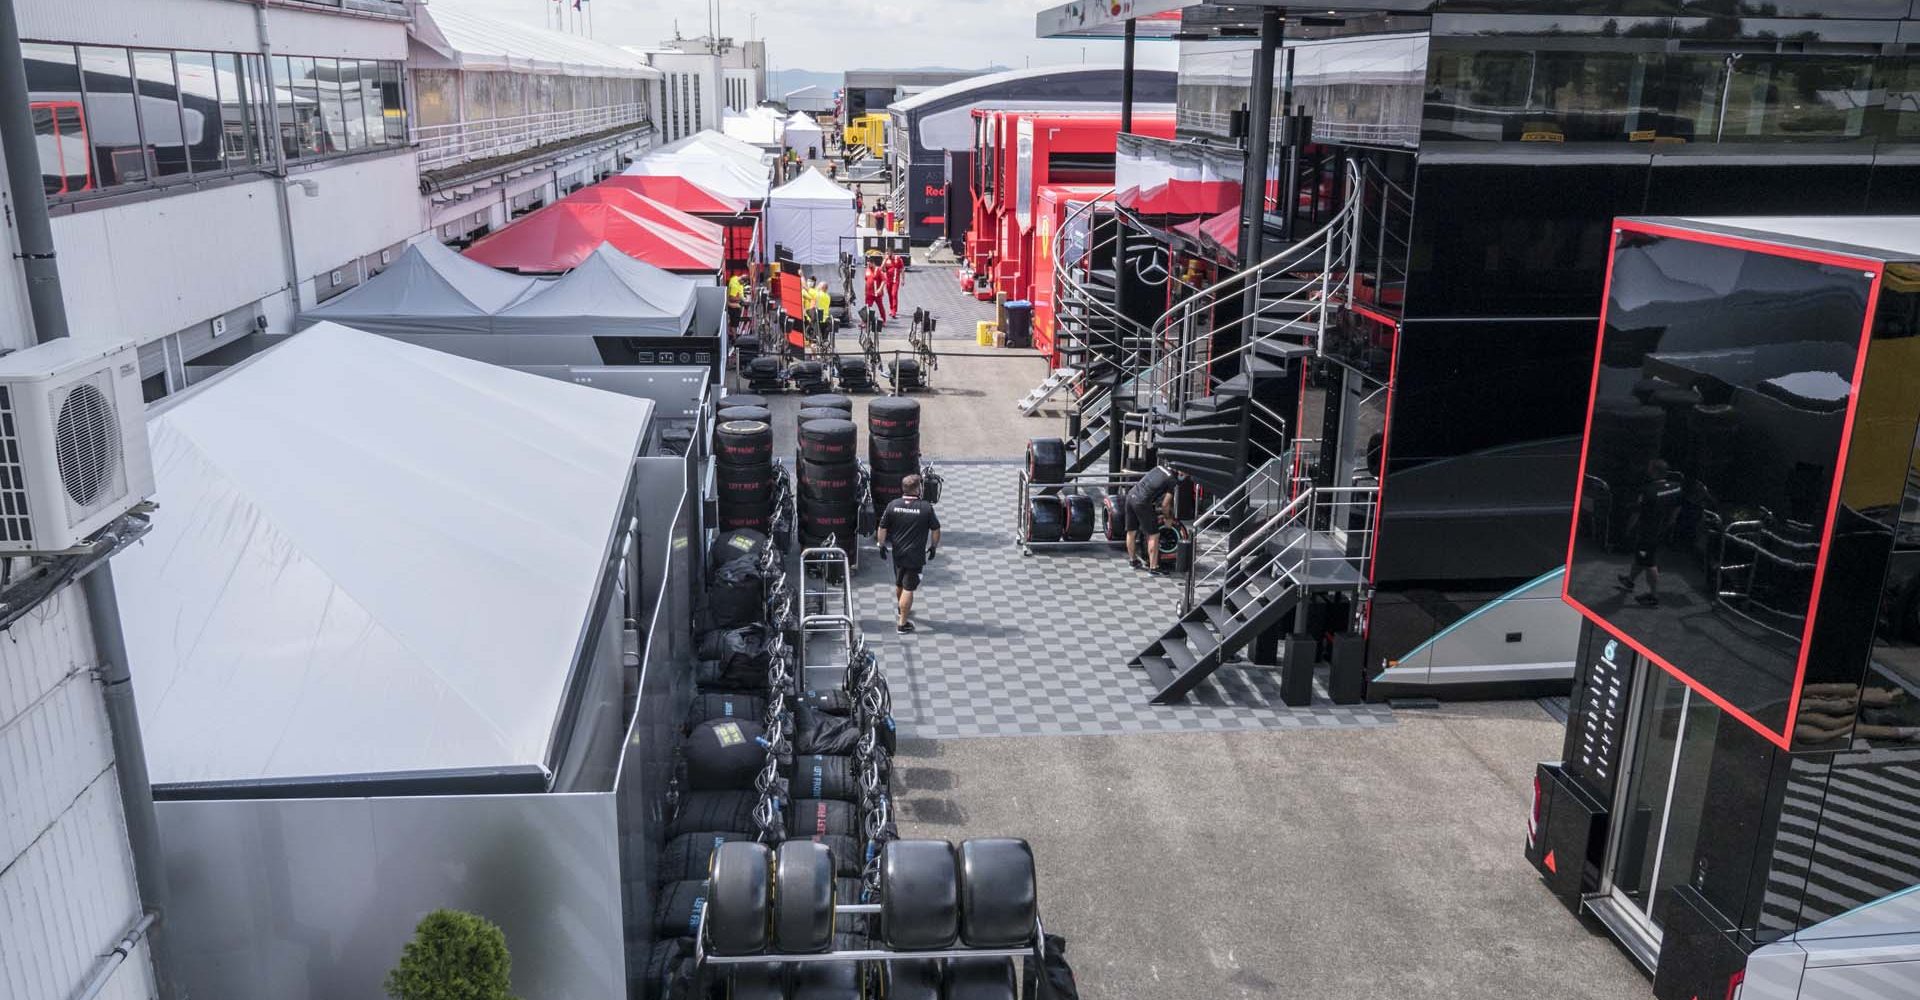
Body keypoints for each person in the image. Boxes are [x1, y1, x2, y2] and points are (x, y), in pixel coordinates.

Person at [877, 474, 940, 633]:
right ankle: (902, 624)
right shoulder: (925, 507)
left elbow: (882, 527)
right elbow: (936, 529)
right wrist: (933, 547)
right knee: (908, 588)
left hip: (897, 554)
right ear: (917, 489)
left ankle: (901, 609)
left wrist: (881, 545)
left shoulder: (892, 505)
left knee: (899, 583)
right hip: (915, 556)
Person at [1617, 459, 1680, 607]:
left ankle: (1653, 596)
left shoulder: (1648, 490)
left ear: (1654, 471)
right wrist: (1671, 522)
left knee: (1649, 563)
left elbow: (1636, 513)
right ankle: (1630, 581)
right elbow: (1678, 507)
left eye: (1650, 468)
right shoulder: (1675, 487)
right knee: (1641, 557)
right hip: (1661, 531)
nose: (1647, 470)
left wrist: (1628, 529)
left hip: (1647, 533)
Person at [1125, 461, 1182, 573]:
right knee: (1154, 535)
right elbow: (1165, 504)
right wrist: (1168, 518)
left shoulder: (1159, 467)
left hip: (1131, 495)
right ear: (1179, 471)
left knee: (1131, 531)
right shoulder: (1172, 480)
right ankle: (1154, 567)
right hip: (1142, 502)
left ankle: (1133, 561)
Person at [883, 252, 903, 319]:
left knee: (894, 294)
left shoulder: (898, 259)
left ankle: (894, 312)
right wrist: (884, 260)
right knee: (890, 295)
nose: (889, 257)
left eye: (890, 255)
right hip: (888, 281)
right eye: (887, 255)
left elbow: (902, 269)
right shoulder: (886, 260)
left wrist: (903, 279)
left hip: (895, 281)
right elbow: (882, 269)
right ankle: (891, 309)